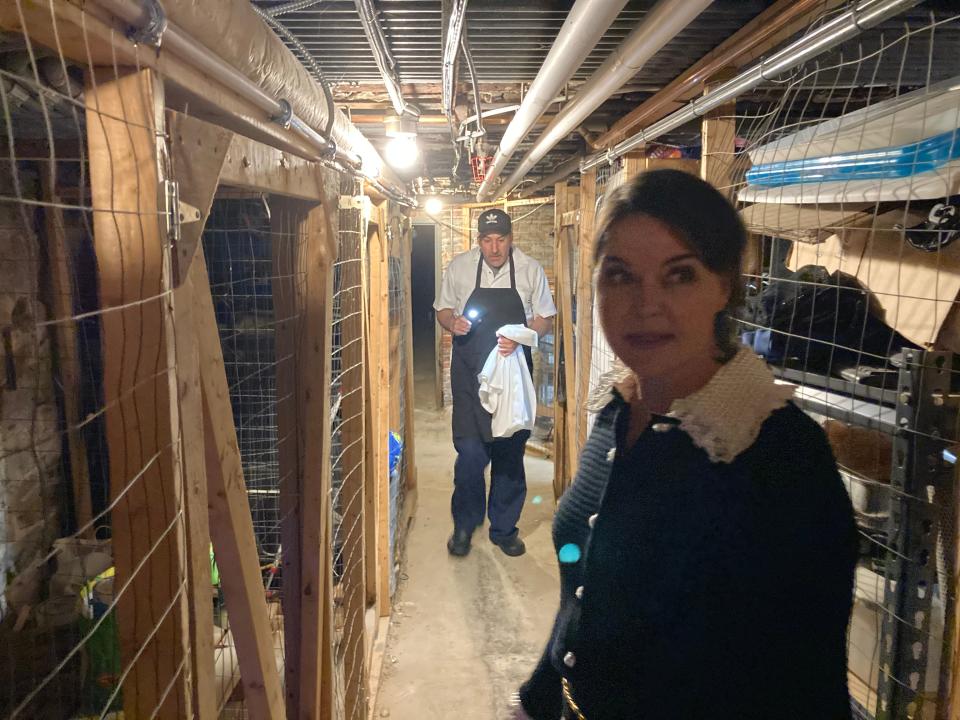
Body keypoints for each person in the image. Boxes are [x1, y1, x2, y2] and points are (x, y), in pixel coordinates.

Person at [512, 170, 858, 719]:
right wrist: (535, 700)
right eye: (620, 275)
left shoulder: (776, 452)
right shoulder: (618, 412)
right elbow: (583, 593)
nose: (645, 305)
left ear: (724, 286)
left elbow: (806, 683)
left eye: (679, 276)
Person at [434, 208, 557, 558]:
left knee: (509, 452)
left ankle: (504, 530)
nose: (494, 248)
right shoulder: (459, 267)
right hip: (470, 374)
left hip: (513, 373)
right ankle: (464, 525)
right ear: (478, 241)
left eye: (501, 239)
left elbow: (545, 318)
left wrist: (524, 336)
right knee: (471, 454)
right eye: (487, 240)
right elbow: (442, 310)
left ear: (510, 238)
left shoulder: (530, 269)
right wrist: (451, 323)